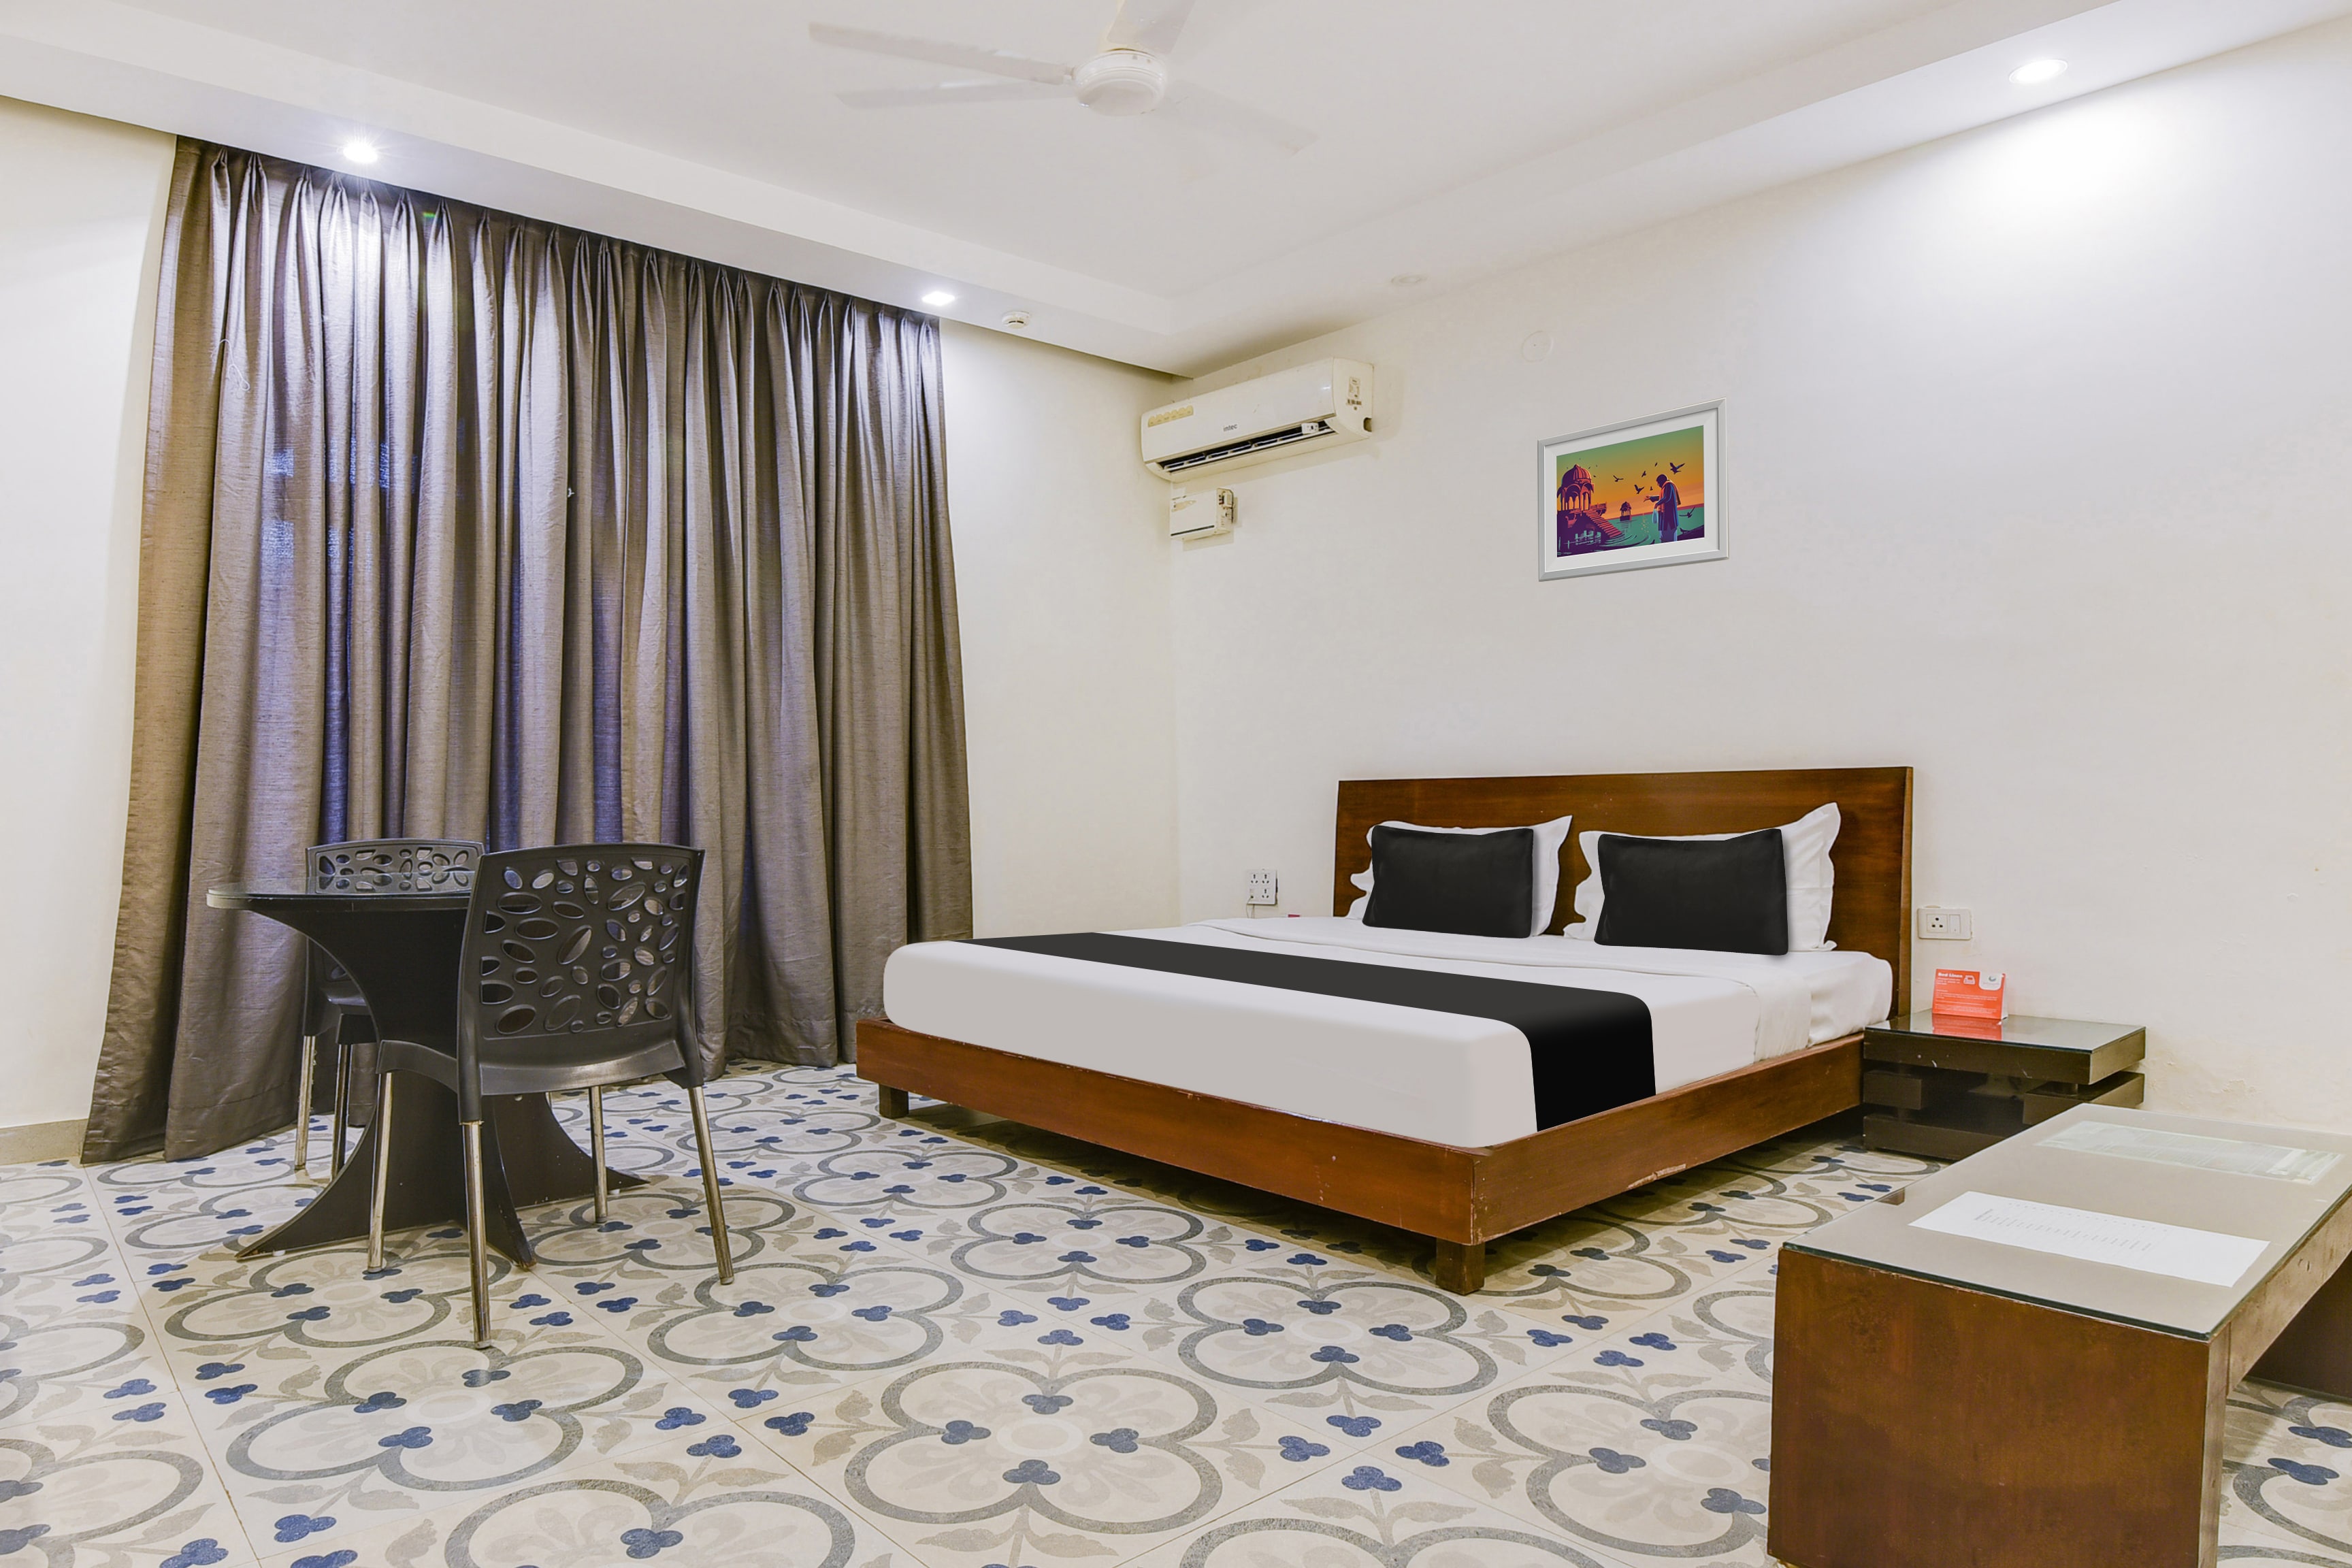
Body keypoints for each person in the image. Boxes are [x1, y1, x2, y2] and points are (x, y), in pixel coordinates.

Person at [1654, 474, 1682, 542]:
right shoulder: (1666, 487)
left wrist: (1657, 504)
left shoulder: (1668, 485)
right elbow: (1662, 497)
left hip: (1669, 517)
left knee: (1669, 537)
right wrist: (1651, 498)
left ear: (1661, 481)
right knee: (1665, 536)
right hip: (1666, 517)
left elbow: (1667, 498)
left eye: (1658, 483)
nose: (1658, 485)